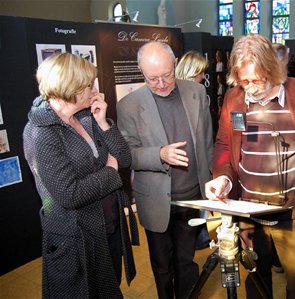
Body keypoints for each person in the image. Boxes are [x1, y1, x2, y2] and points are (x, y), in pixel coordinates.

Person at [205, 34, 295, 299]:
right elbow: (224, 144)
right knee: (256, 279)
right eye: (243, 80)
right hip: (249, 212)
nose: (249, 87)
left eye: (256, 80)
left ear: (273, 70)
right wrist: (224, 179)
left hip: (294, 213)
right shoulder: (234, 99)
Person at [23, 53, 139, 298]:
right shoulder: (41, 133)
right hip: (76, 240)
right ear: (70, 88)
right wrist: (109, 171)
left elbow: (125, 159)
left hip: (107, 226)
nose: (94, 89)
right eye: (88, 85)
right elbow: (69, 194)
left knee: (110, 288)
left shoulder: (87, 116)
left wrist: (104, 123)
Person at [116, 41, 213, 299]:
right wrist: (159, 154)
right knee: (162, 266)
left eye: (167, 75)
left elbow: (206, 143)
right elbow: (127, 155)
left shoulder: (196, 93)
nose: (161, 84)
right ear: (141, 72)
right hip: (156, 201)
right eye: (152, 78)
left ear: (176, 64)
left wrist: (213, 181)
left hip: (192, 196)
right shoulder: (129, 105)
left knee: (187, 261)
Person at [175, 50, 211, 250]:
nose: (203, 77)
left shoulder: (197, 93)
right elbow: (205, 135)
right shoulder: (197, 94)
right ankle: (198, 238)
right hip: (191, 162)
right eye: (201, 72)